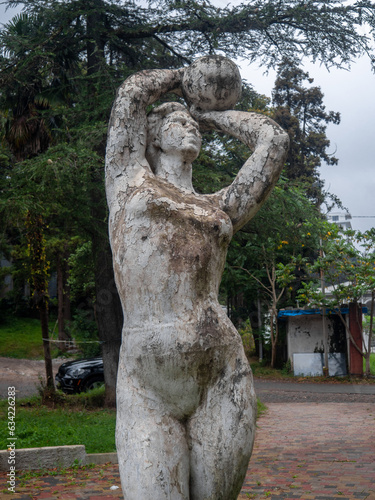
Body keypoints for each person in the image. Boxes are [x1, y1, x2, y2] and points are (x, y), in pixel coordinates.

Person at [105, 62, 289, 500]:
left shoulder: (220, 206)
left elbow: (273, 140)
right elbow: (133, 91)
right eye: (178, 122)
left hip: (221, 371)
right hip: (149, 380)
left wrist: (209, 113)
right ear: (152, 136)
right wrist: (186, 76)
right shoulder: (128, 182)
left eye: (193, 125)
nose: (191, 128)